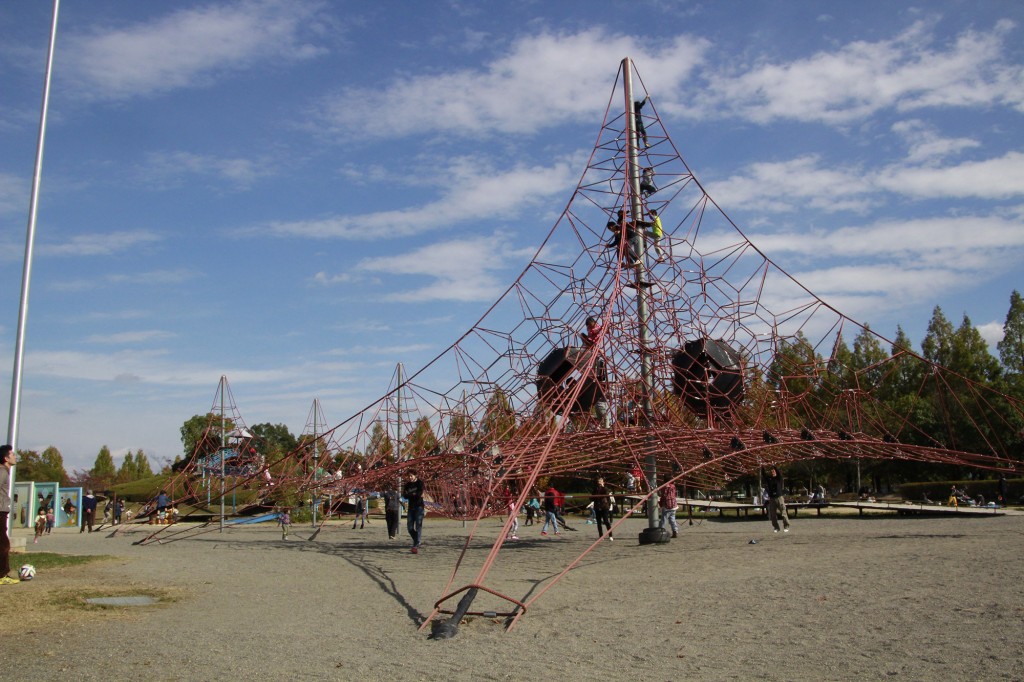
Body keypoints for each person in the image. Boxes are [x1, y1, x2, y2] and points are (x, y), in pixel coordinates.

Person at [0, 444, 17, 584]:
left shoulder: (5, 471)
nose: (15, 456)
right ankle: (2, 575)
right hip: (0, 511)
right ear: (6, 458)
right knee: (3, 544)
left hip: (2, 510)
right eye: (12, 454)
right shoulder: (2, 472)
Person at [403, 471, 425, 553]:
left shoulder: (419, 483)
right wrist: (412, 494)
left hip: (419, 507)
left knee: (418, 525)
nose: (410, 477)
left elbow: (419, 493)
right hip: (411, 507)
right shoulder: (407, 485)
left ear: (415, 476)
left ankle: (416, 544)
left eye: (411, 476)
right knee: (410, 528)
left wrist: (411, 494)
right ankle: (417, 539)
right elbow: (405, 495)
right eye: (409, 476)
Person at [764, 466, 791, 533]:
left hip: (779, 497)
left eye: (773, 471)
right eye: (771, 472)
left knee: (783, 512)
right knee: (773, 514)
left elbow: (779, 473)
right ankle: (776, 527)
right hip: (772, 498)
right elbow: (764, 475)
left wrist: (774, 466)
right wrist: (762, 467)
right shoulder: (769, 479)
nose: (772, 472)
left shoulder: (778, 478)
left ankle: (786, 526)